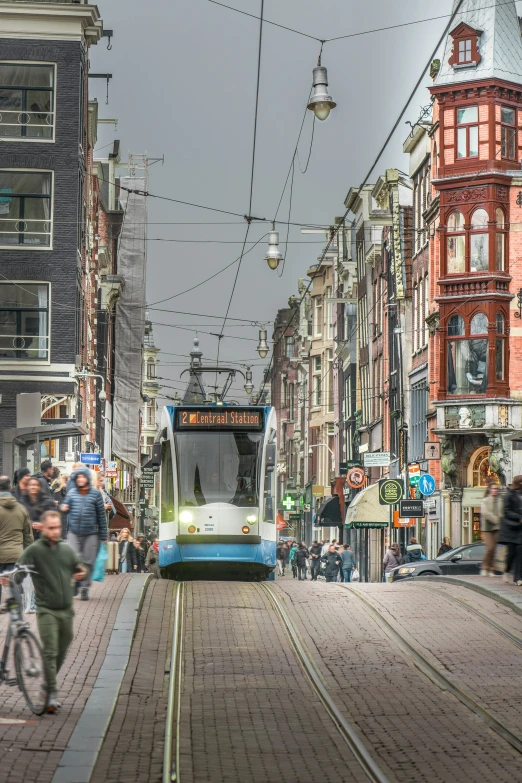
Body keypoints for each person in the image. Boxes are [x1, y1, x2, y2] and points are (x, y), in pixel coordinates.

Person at [18, 510, 87, 714]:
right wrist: (10, 580)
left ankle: (45, 689)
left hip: (66, 610)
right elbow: (19, 571)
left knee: (61, 652)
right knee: (50, 651)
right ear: (43, 528)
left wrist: (81, 572)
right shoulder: (34, 551)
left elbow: (79, 566)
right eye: (51, 528)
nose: (55, 531)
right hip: (46, 609)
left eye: (58, 527)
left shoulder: (66, 550)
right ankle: (52, 695)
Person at [60, 467, 107, 600]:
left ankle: (85, 587)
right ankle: (76, 582)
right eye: (78, 477)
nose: (80, 479)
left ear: (87, 478)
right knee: (74, 559)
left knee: (88, 561)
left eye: (83, 477)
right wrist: (63, 508)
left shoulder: (95, 494)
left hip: (91, 533)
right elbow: (63, 509)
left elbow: (101, 516)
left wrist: (103, 534)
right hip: (73, 532)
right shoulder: (72, 493)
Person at [0, 476, 33, 601]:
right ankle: (17, 613)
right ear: (10, 487)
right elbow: (28, 535)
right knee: (14, 584)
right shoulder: (21, 508)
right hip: (16, 554)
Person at [498, 475, 522, 585]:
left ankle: (518, 578)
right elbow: (506, 511)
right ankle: (506, 571)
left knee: (520, 553)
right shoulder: (508, 495)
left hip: (520, 529)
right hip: (511, 528)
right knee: (511, 553)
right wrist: (518, 517)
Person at [480, 481, 503, 576]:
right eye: (493, 488)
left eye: (496, 489)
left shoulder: (500, 500)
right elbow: (486, 513)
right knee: (490, 548)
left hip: (497, 528)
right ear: (489, 489)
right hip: (488, 527)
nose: (495, 490)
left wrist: (500, 519)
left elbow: (502, 512)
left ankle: (491, 569)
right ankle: (485, 567)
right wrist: (496, 519)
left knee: (495, 549)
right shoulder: (485, 501)